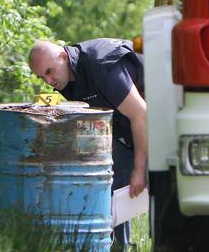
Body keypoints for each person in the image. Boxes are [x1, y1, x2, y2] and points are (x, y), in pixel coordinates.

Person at [28, 39, 147, 248]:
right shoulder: (65, 76)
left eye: (49, 71)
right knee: (108, 183)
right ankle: (117, 246)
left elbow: (141, 114)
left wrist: (139, 170)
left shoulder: (102, 66)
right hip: (122, 126)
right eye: (42, 77)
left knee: (162, 184)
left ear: (64, 56)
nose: (48, 81)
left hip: (158, 115)